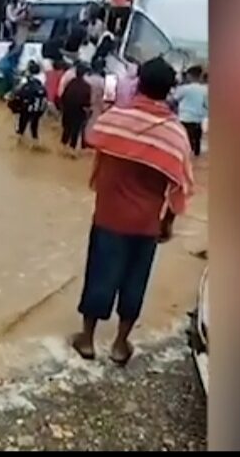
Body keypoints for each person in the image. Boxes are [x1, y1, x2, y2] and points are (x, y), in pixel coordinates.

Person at [72, 57, 193, 366]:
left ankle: (87, 339)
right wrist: (167, 222)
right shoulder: (176, 134)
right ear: (169, 91)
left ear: (138, 83)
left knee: (99, 273)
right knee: (135, 281)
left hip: (108, 216)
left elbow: (91, 138)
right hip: (146, 223)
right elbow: (181, 185)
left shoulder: (115, 119)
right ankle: (119, 344)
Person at [170, 65, 208, 157]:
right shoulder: (205, 89)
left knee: (186, 144)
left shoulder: (184, 89)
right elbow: (206, 105)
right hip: (198, 120)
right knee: (197, 144)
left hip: (185, 119)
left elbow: (173, 99)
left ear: (189, 75)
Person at [10, 61, 48, 146]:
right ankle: (35, 142)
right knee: (34, 124)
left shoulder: (26, 79)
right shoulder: (43, 78)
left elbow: (19, 91)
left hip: (27, 105)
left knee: (22, 122)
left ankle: (19, 140)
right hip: (39, 107)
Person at [59, 61, 92, 157]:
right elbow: (87, 103)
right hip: (79, 112)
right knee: (75, 132)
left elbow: (64, 97)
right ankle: (71, 150)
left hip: (68, 110)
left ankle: (62, 148)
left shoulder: (71, 83)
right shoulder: (86, 87)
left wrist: (63, 108)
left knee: (66, 130)